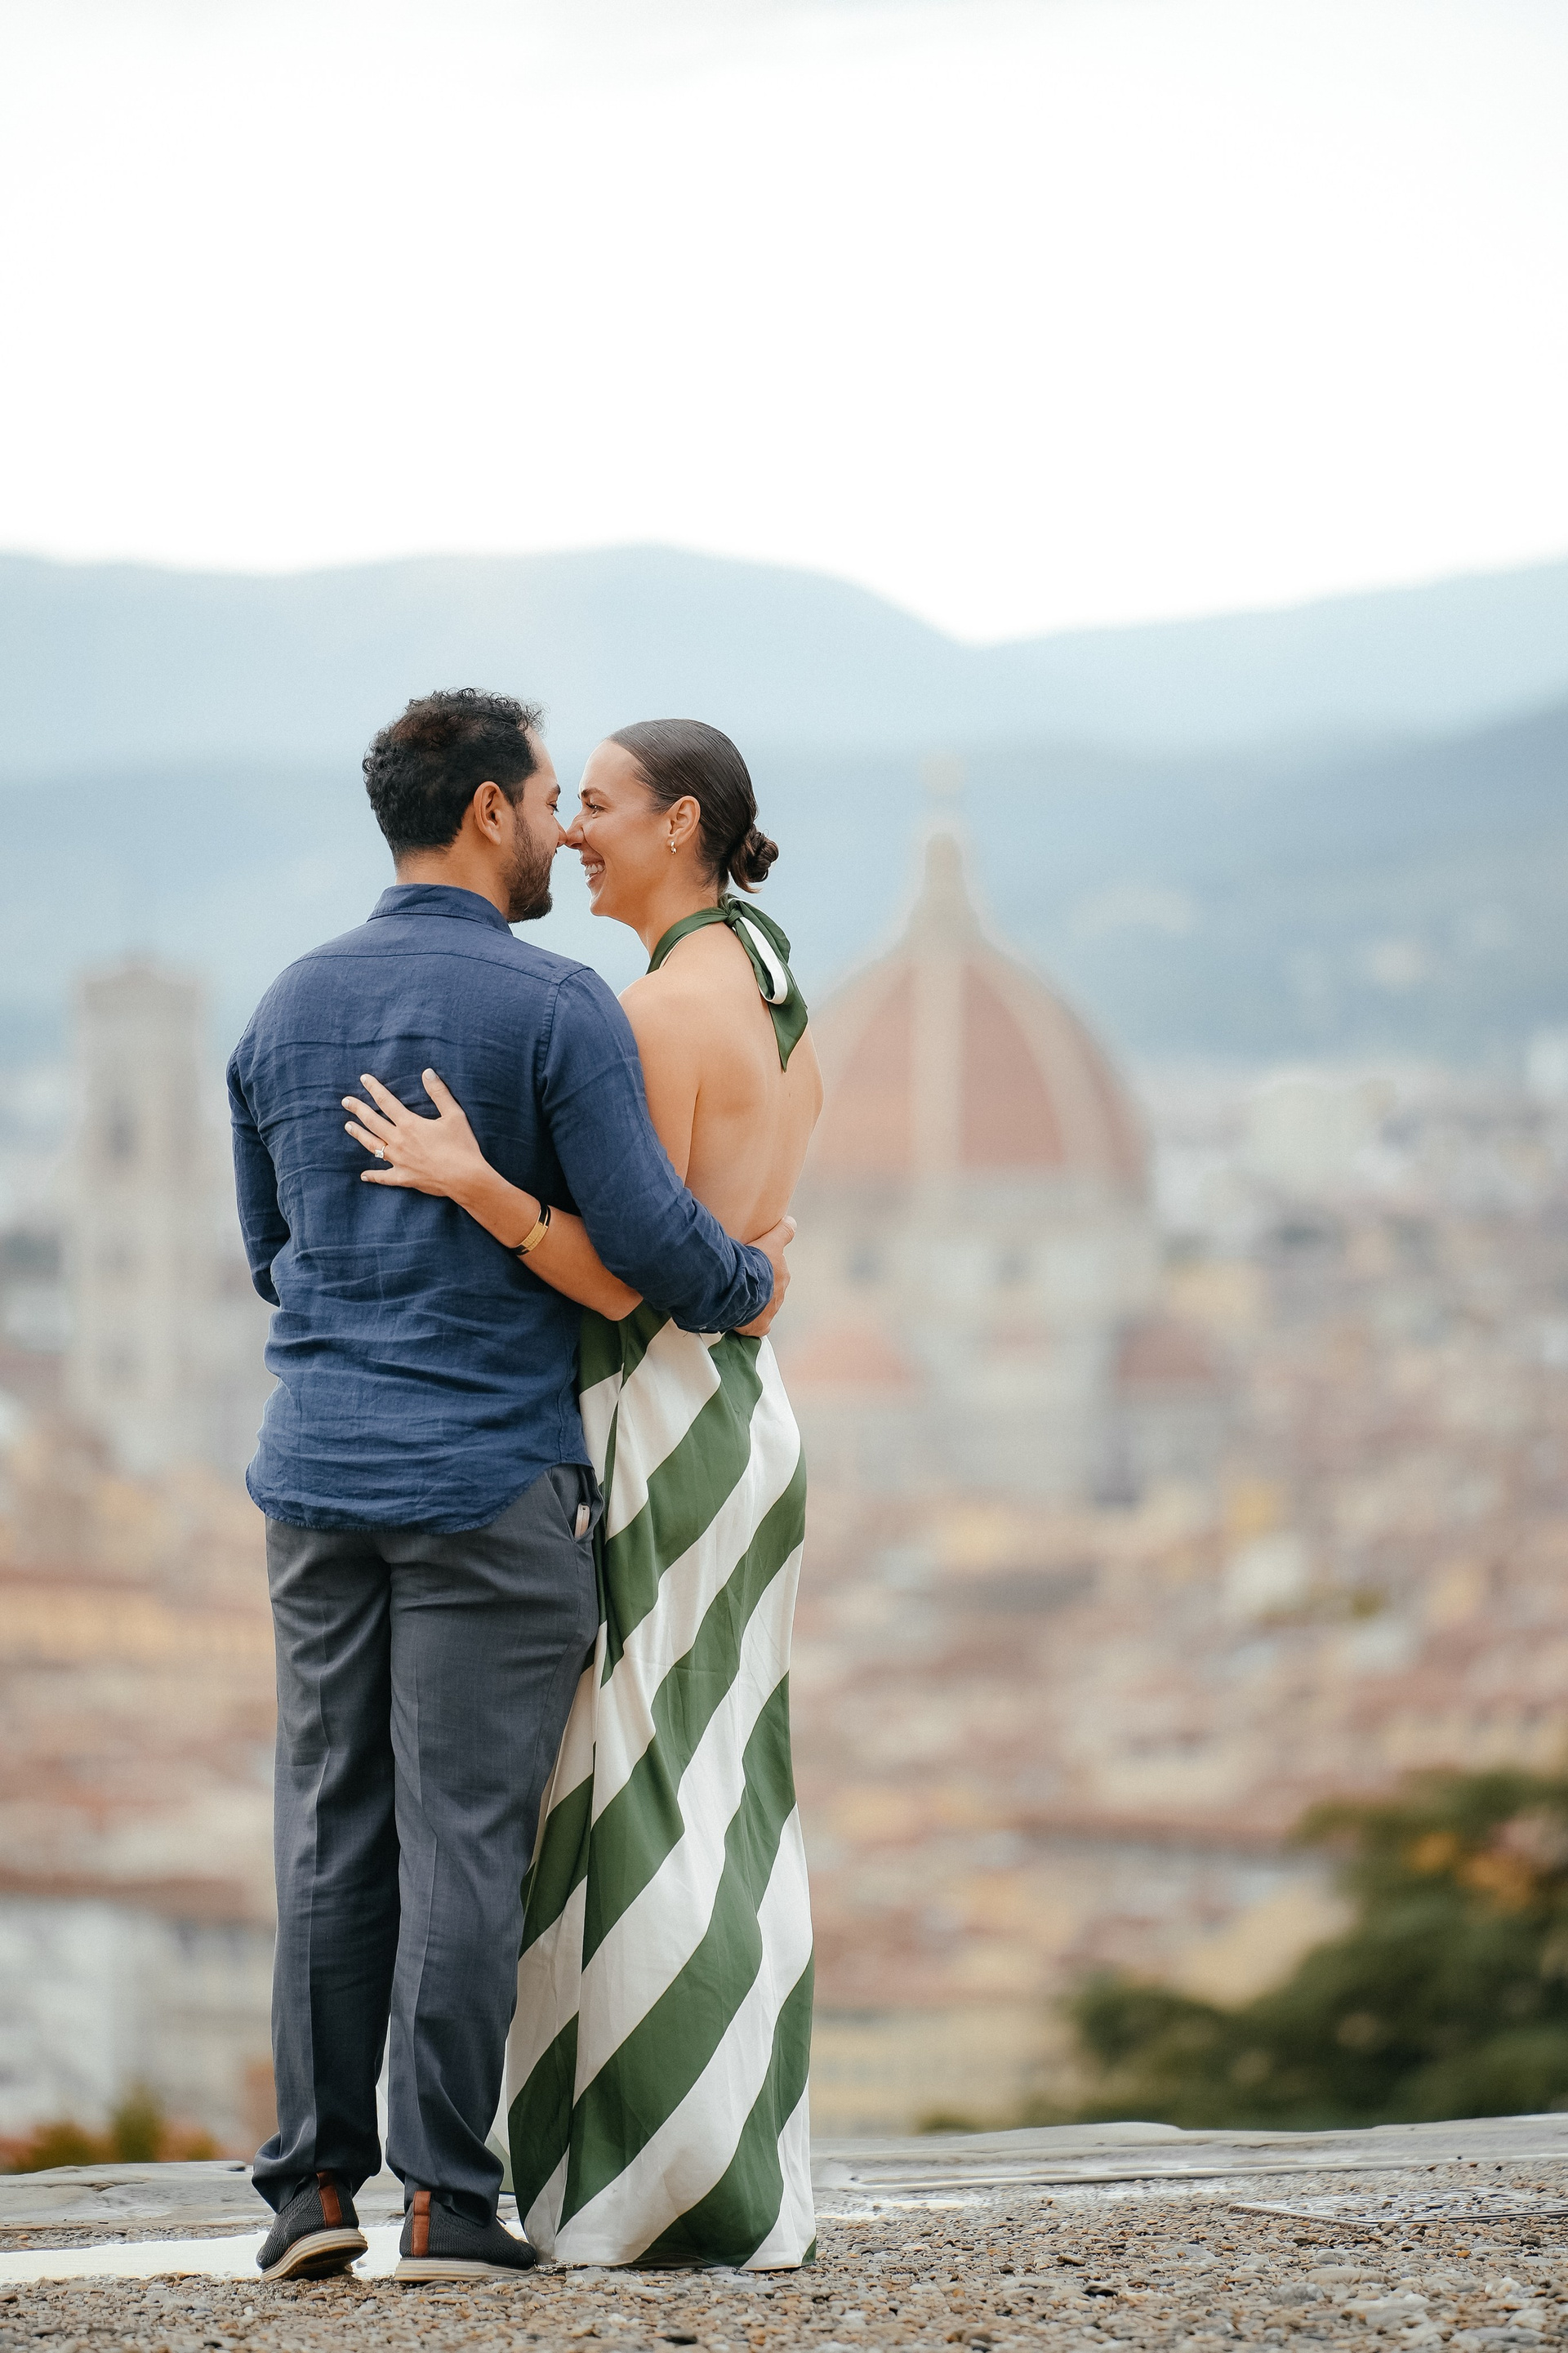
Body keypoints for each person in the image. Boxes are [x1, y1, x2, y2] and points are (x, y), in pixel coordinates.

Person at [227, 690, 793, 2286]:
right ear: (488, 810)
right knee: (464, 1837)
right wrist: (750, 1278)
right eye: (548, 800)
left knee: (330, 1826)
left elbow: (271, 1255)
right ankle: (445, 2197)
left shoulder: (283, 1007)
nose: (560, 829)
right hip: (485, 1478)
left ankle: (310, 2190)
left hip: (315, 1472)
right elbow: (654, 1239)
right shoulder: (555, 1007)